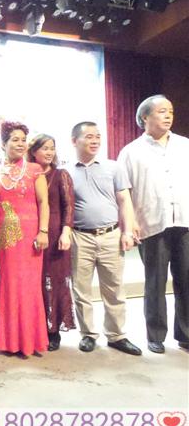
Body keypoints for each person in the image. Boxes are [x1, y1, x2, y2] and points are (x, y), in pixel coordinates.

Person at [118, 95, 189, 353]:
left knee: (186, 280)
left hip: (185, 222)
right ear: (145, 117)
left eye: (170, 111)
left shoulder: (185, 145)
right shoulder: (131, 152)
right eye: (161, 111)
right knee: (155, 282)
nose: (168, 116)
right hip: (152, 224)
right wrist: (130, 224)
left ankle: (186, 334)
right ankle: (155, 335)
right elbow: (124, 192)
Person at [66, 121, 142, 356]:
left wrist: (127, 231)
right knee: (81, 289)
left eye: (97, 136)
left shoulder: (113, 167)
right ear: (74, 141)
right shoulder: (66, 172)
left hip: (111, 235)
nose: (95, 140)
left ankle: (117, 335)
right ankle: (88, 334)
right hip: (80, 237)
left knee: (114, 288)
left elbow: (124, 201)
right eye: (89, 136)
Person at [0, 122, 49, 358]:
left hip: (30, 237)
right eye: (14, 139)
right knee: (10, 286)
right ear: (3, 144)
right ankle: (10, 341)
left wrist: (43, 231)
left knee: (29, 286)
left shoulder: (35, 169)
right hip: (5, 239)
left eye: (23, 140)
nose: (20, 144)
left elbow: (43, 202)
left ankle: (31, 340)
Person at [28, 134, 76, 351]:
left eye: (52, 148)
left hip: (55, 235)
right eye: (44, 148)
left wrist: (66, 232)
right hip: (30, 235)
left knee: (55, 282)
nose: (49, 152)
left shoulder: (60, 174)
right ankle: (36, 328)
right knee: (36, 283)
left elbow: (69, 206)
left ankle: (53, 330)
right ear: (33, 152)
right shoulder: (27, 174)